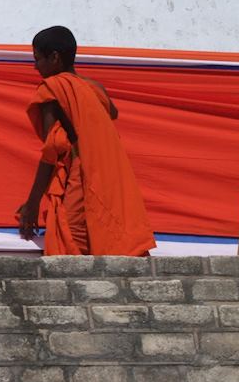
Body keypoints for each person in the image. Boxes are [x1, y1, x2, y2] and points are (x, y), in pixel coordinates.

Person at [16, 26, 155, 256]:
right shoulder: (95, 88)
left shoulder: (53, 89)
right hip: (108, 179)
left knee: (71, 247)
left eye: (37, 59)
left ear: (54, 58)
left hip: (79, 181)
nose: (35, 67)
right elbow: (111, 112)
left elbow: (52, 150)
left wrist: (32, 204)